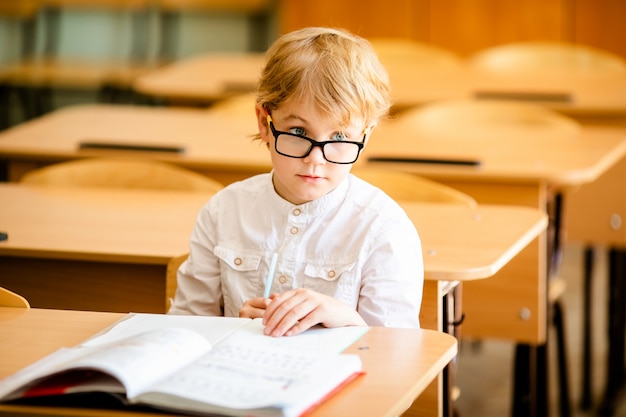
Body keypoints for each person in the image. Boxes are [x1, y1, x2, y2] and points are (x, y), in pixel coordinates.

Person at [168, 27, 424, 337]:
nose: (315, 159)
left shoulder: (383, 228)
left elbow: (397, 354)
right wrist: (234, 327)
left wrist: (345, 319)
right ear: (265, 123)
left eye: (340, 136)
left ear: (365, 135)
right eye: (299, 132)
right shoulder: (224, 211)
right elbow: (186, 326)